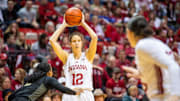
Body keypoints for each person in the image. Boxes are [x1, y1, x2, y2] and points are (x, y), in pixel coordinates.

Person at [123, 16, 180, 101]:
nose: (127, 37)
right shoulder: (159, 44)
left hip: (164, 97)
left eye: (127, 33)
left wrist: (175, 95)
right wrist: (140, 74)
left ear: (130, 32)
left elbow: (174, 67)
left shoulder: (142, 45)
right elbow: (162, 71)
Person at [50, 13, 98, 101]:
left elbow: (94, 37)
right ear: (70, 44)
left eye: (79, 41)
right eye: (74, 41)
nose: (76, 43)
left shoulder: (88, 56)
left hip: (86, 93)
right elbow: (52, 40)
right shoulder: (66, 57)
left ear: (82, 43)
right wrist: (64, 24)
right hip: (70, 94)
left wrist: (83, 23)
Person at [8, 62, 81, 101]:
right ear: (49, 71)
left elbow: (14, 94)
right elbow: (62, 89)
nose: (52, 72)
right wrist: (75, 92)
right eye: (51, 70)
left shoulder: (31, 79)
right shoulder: (48, 79)